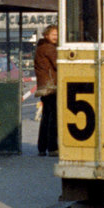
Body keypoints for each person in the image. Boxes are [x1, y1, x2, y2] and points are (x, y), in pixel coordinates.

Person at [33, 24, 58, 156]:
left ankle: (42, 147)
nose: (56, 37)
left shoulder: (41, 47)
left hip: (45, 86)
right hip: (51, 86)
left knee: (46, 117)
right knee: (53, 117)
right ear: (46, 35)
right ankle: (52, 147)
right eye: (53, 34)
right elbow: (58, 64)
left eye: (57, 34)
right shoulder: (49, 48)